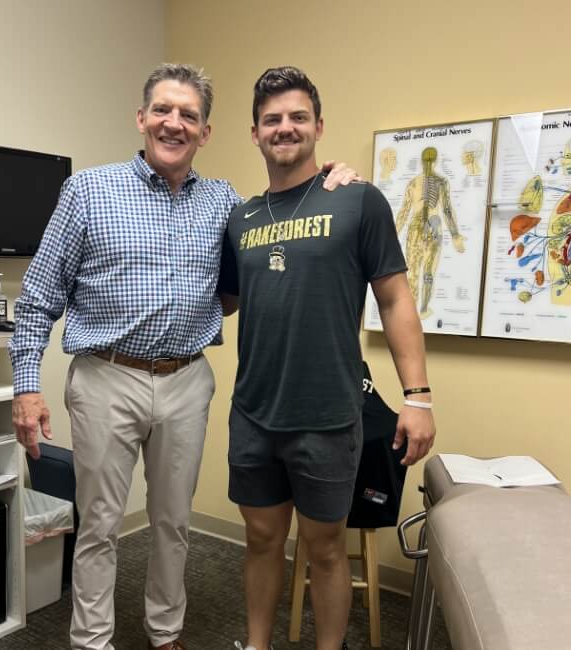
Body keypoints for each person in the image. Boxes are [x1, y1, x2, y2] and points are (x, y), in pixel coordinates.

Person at [9, 63, 358, 650]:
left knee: (173, 523)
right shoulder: (88, 191)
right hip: (106, 378)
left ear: (206, 131)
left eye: (189, 115)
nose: (175, 123)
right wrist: (25, 387)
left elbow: (274, 236)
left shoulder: (225, 204)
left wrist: (332, 176)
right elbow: (39, 295)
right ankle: (91, 640)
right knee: (99, 525)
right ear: (142, 118)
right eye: (164, 111)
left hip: (186, 380)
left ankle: (165, 632)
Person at [218, 66, 436, 650]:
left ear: (318, 126)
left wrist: (418, 396)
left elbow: (394, 298)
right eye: (272, 120)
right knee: (261, 541)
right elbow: (225, 300)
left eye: (296, 117)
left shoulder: (358, 201)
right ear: (255, 132)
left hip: (328, 414)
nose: (284, 128)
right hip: (254, 414)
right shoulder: (240, 219)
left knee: (326, 549)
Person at [394, 146, 465, 318]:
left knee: (414, 271)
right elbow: (447, 210)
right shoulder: (441, 182)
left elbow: (404, 211)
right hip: (434, 226)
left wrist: (392, 235)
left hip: (418, 227)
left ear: (421, 160)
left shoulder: (413, 183)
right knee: (427, 271)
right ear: (435, 161)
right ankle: (424, 309)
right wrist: (455, 235)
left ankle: (411, 313)